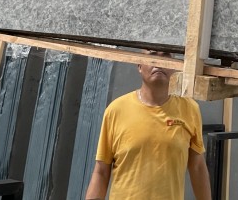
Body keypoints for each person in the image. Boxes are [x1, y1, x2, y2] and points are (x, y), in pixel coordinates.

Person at [85, 54, 212, 200]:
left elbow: (197, 166)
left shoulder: (189, 109)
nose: (159, 62)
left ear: (175, 67)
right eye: (152, 55)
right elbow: (101, 171)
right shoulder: (116, 110)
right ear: (139, 65)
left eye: (166, 56)